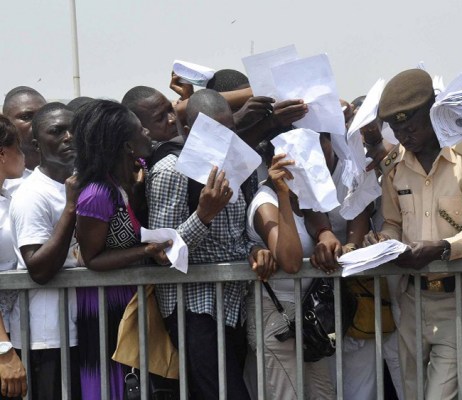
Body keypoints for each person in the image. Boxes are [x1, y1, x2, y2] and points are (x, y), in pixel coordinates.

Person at [364, 69, 462, 400]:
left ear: (433, 112)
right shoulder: (393, 166)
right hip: (412, 299)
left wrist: (442, 248)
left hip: (459, 299)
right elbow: (392, 222)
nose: (405, 136)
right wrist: (382, 241)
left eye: (412, 127)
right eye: (397, 130)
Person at [147, 88, 270, 399]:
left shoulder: (235, 165)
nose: (224, 138)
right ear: (188, 130)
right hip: (193, 308)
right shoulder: (170, 171)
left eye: (229, 129)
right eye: (214, 130)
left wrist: (254, 250)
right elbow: (161, 252)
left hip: (233, 306)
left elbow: (237, 236)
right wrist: (203, 215)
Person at [72, 99, 172, 399]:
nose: (147, 132)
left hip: (127, 297)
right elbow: (92, 258)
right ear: (127, 146)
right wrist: (146, 251)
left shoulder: (121, 184)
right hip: (106, 304)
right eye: (141, 129)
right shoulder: (96, 194)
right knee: (115, 385)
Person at [246, 146, 335, 399]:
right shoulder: (266, 202)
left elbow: (321, 228)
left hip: (308, 316)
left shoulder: (303, 196)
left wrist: (326, 237)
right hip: (277, 317)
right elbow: (291, 262)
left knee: (323, 395)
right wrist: (282, 194)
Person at [9, 102, 81, 399]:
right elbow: (38, 268)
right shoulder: (32, 194)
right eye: (57, 131)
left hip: (80, 327)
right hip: (46, 336)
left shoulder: (79, 182)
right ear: (37, 144)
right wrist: (71, 208)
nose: (68, 137)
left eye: (73, 130)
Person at [0, 117, 28, 399]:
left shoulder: (9, 196)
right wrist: (4, 351)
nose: (24, 154)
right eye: (19, 147)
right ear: (2, 153)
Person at [1, 86, 46, 194]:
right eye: (26, 117)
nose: (38, 123)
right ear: (7, 124)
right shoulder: (5, 182)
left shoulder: (71, 173)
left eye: (43, 116)